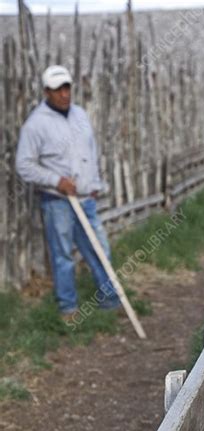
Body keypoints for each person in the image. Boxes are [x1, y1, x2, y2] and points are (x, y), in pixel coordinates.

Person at [16, 65, 119, 320]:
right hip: (58, 202)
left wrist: (93, 184)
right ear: (46, 92)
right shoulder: (35, 125)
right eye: (57, 90)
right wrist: (56, 181)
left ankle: (110, 301)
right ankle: (68, 307)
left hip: (86, 199)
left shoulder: (80, 115)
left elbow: (90, 152)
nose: (64, 94)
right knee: (62, 255)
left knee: (98, 249)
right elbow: (24, 165)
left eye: (66, 88)